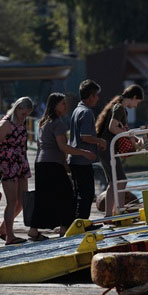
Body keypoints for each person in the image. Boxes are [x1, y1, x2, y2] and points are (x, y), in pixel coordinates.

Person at [35, 93, 96, 236]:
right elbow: (63, 147)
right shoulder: (58, 123)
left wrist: (64, 163)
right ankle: (64, 228)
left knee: (42, 197)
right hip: (52, 164)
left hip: (40, 162)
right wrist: (84, 153)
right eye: (62, 103)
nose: (66, 106)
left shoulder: (43, 122)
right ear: (55, 105)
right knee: (67, 195)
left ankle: (33, 230)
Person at [0, 97, 35, 245]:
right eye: (24, 114)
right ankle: (10, 236)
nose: (25, 117)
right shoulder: (5, 124)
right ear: (18, 109)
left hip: (21, 163)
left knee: (22, 201)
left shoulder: (20, 122)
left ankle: (3, 228)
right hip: (8, 164)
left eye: (27, 114)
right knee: (11, 201)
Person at [95, 85, 144, 215]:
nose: (136, 105)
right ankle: (119, 213)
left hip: (104, 148)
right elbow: (112, 127)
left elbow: (119, 128)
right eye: (137, 102)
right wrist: (130, 136)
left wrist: (134, 137)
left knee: (113, 182)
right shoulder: (120, 108)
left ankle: (109, 215)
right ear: (133, 97)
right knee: (121, 180)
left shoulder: (116, 106)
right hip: (108, 149)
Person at [69, 80, 107, 220]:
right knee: (88, 193)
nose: (97, 98)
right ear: (90, 96)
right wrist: (100, 141)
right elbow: (85, 136)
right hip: (82, 160)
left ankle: (77, 222)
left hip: (74, 159)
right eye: (96, 95)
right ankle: (83, 223)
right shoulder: (87, 112)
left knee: (79, 193)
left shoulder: (76, 110)